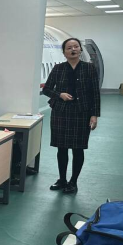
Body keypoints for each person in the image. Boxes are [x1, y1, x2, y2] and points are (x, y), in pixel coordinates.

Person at [42, 37, 100, 195]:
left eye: (76, 46)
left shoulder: (89, 68)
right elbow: (46, 89)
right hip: (61, 113)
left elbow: (95, 93)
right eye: (69, 48)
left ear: (80, 49)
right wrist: (59, 94)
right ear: (64, 52)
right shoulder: (58, 69)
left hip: (82, 113)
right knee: (61, 148)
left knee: (78, 149)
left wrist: (94, 115)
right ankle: (62, 179)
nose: (73, 49)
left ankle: (73, 181)